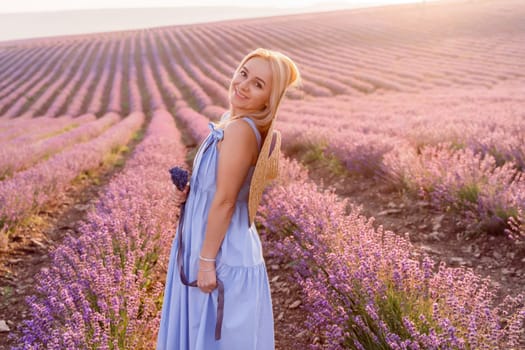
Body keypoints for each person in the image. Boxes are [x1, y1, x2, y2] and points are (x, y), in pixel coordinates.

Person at [156, 47, 302, 350]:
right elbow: (216, 189)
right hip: (206, 244)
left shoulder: (240, 131)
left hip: (221, 253)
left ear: (268, 99)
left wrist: (206, 262)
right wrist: (191, 193)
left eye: (258, 84)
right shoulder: (229, 121)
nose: (243, 85)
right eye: (244, 73)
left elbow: (225, 200)